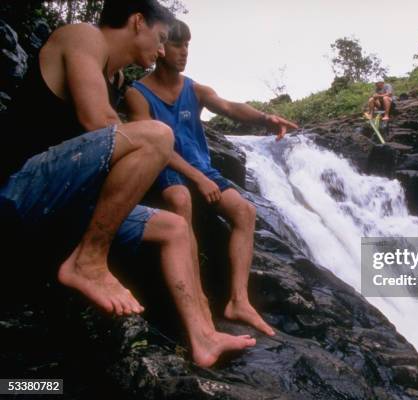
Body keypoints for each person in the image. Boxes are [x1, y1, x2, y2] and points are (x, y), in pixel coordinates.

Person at [0, 0, 255, 367]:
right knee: (155, 135)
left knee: (175, 227)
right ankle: (88, 261)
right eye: (161, 37)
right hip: (20, 189)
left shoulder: (117, 80)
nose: (163, 49)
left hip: (64, 207)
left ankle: (204, 337)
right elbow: (97, 121)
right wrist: (153, 148)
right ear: (138, 22)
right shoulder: (82, 37)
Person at [125, 19, 298, 338]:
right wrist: (197, 179)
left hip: (202, 169)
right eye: (178, 45)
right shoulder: (138, 94)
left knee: (245, 211)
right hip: (165, 167)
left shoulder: (194, 89)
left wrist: (265, 118)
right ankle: (197, 295)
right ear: (161, 47)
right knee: (180, 199)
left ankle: (238, 301)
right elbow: (153, 147)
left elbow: (230, 107)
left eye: (188, 46)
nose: (184, 52)